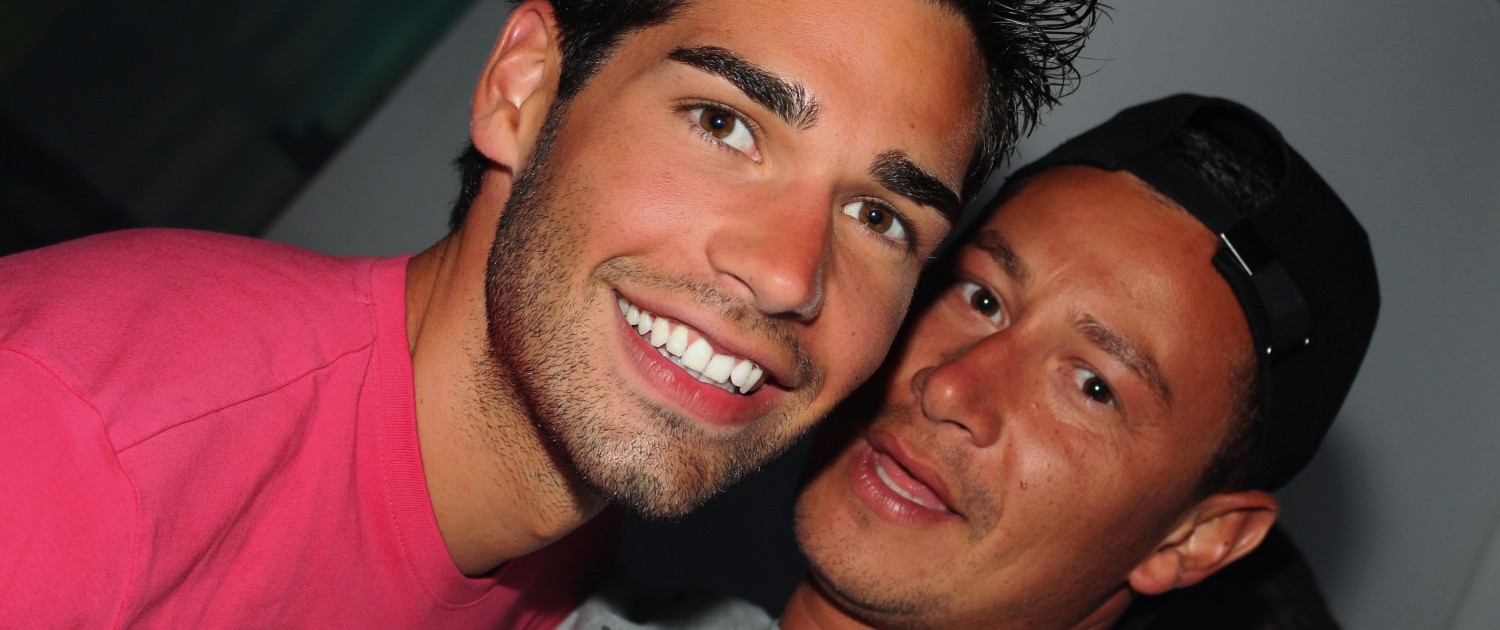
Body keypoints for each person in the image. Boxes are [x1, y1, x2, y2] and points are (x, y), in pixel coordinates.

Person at [0, 0, 1100, 627]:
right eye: (724, 125)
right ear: (523, 90)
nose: (787, 275)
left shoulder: (571, 565)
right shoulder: (75, 445)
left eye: (879, 217)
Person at [560, 94, 1379, 629]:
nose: (950, 387)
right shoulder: (547, 589)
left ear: (1194, 541)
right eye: (981, 298)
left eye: (1094, 386)